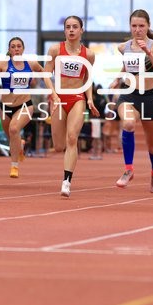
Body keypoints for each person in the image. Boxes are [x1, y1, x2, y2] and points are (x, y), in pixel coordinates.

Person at [43, 15, 99, 198]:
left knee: (72, 138)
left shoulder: (88, 55)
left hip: (77, 98)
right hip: (59, 98)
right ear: (65, 30)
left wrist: (89, 99)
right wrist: (53, 93)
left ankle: (67, 181)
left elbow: (87, 79)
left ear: (81, 30)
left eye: (75, 27)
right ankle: (65, 161)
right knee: (59, 146)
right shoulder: (55, 50)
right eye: (68, 27)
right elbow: (45, 74)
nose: (71, 30)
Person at [114, 9, 153, 194]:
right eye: (134, 26)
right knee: (128, 123)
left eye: (141, 26)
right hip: (129, 94)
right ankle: (129, 169)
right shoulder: (123, 47)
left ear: (148, 26)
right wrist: (117, 78)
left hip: (151, 96)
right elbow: (128, 64)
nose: (137, 30)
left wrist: (148, 51)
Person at [0, 36, 44, 179]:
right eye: (13, 46)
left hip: (25, 105)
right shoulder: (2, 64)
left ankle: (14, 166)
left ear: (23, 49)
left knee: (14, 129)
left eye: (19, 46)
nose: (16, 49)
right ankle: (20, 145)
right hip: (5, 107)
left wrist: (53, 90)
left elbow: (44, 73)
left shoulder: (31, 63)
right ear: (9, 50)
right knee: (11, 136)